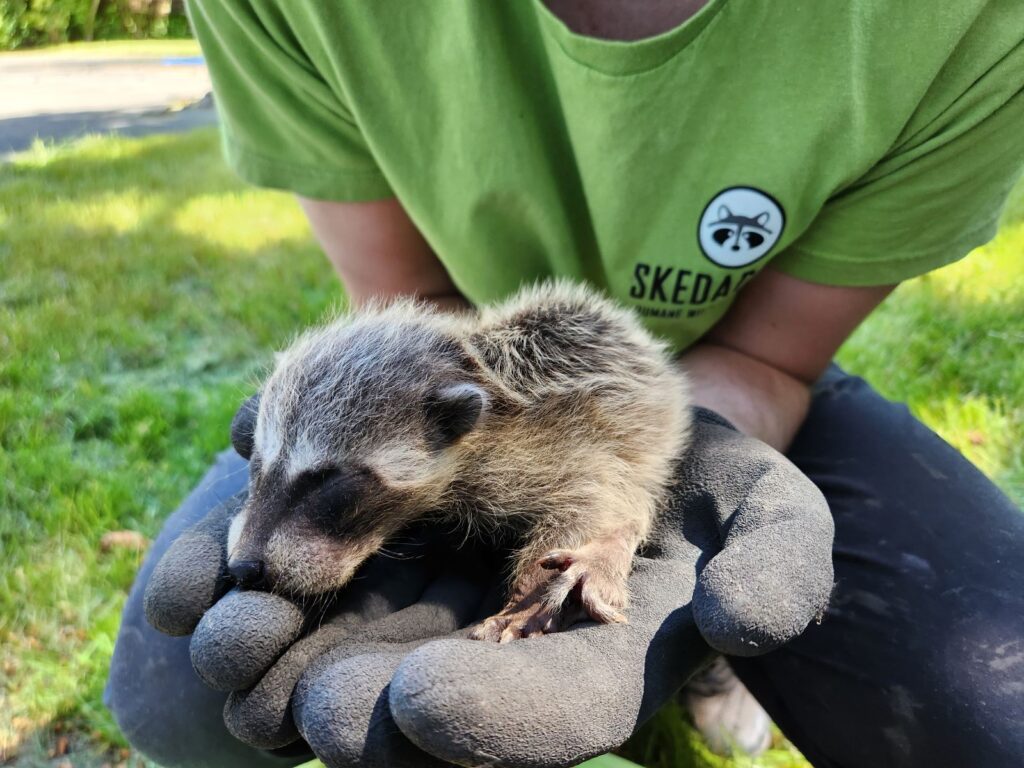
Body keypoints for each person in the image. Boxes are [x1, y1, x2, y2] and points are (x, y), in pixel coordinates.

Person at [106, 1, 1024, 766]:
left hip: (738, 376)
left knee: (996, 717)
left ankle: (708, 653)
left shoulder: (968, 24)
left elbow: (752, 367)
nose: (254, 542)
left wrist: (599, 545)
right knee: (178, 682)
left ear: (454, 430)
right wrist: (297, 469)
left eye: (316, 491)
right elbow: (406, 309)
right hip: (431, 347)